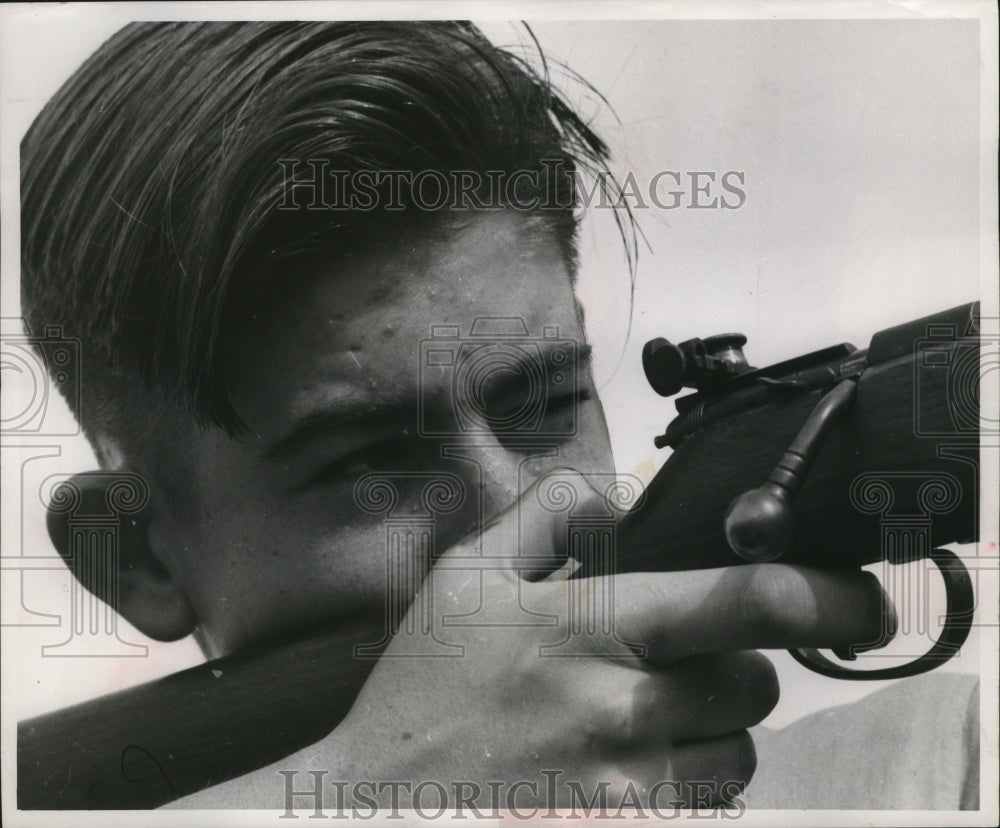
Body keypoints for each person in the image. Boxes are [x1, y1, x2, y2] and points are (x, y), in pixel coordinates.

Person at [19, 21, 977, 813]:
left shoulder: (950, 775)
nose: (522, 510)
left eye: (546, 405)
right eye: (373, 465)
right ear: (134, 556)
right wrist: (365, 798)